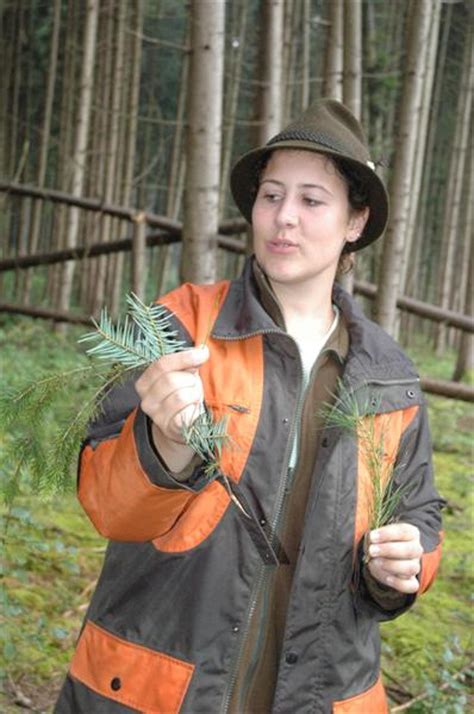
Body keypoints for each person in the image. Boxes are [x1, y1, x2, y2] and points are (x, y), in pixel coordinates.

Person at [54, 99, 444, 713]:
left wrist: (403, 563)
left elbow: (420, 514)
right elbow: (106, 504)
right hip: (159, 692)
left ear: (354, 221)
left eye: (312, 200)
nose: (283, 218)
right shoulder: (183, 325)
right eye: (270, 195)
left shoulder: (388, 379)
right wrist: (164, 449)